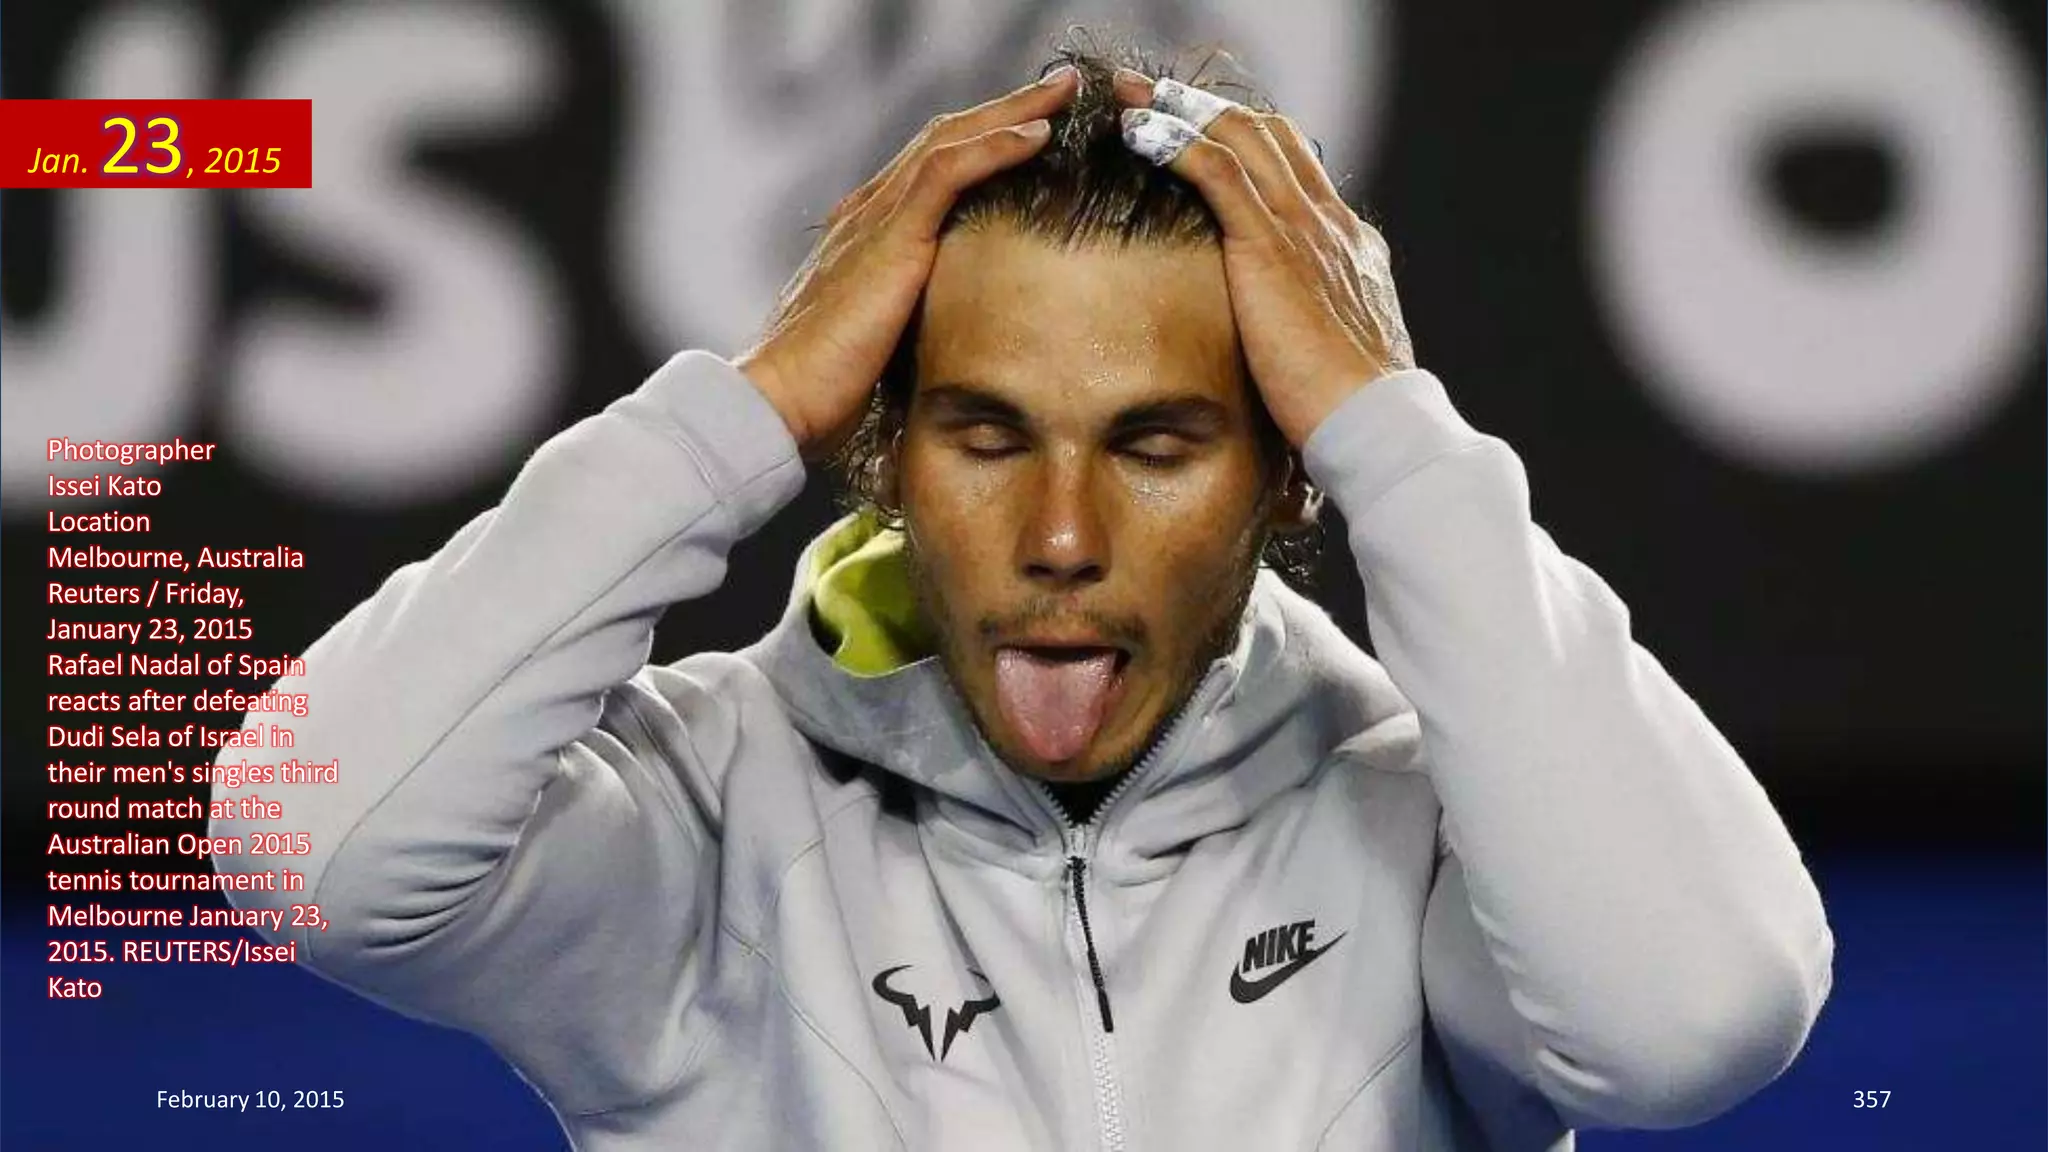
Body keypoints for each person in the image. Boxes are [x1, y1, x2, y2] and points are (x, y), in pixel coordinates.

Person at [210, 45, 1832, 1150]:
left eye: (1156, 444)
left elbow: (1696, 1022)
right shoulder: (698, 825)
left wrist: (1396, 441)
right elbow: (310, 846)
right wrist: (743, 408)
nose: (1060, 533)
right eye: (986, 435)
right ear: (882, 453)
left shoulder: (1430, 821)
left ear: (1283, 479)